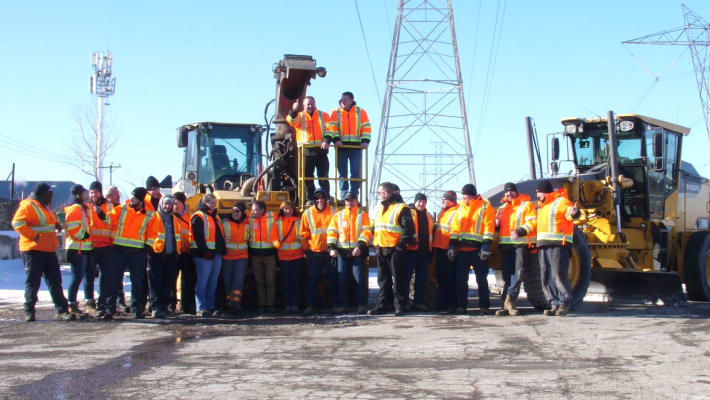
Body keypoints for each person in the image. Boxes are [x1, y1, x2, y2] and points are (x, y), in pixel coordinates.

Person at [12, 183, 75, 321]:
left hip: (48, 250)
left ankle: (62, 310)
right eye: (49, 193)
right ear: (42, 194)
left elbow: (46, 222)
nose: (51, 196)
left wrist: (56, 224)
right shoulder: (28, 206)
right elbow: (17, 223)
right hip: (33, 250)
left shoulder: (44, 207)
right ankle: (29, 311)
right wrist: (33, 236)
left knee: (55, 281)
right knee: (33, 282)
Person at [108, 187, 158, 319]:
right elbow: (109, 220)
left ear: (141, 200)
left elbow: (153, 232)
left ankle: (136, 309)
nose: (132, 199)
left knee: (137, 282)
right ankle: (109, 308)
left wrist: (148, 245)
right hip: (119, 250)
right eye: (132, 196)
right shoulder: (121, 209)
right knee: (114, 280)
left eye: (135, 197)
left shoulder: (149, 214)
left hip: (137, 252)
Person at [369, 182, 415, 316]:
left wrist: (400, 245)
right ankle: (383, 305)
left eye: (381, 193)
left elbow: (409, 229)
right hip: (380, 248)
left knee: (399, 280)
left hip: (395, 250)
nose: (379, 195)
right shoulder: (378, 208)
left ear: (388, 193)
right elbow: (373, 226)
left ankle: (399, 306)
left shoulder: (402, 208)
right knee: (383, 280)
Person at [535, 180, 580, 316]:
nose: (537, 195)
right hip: (543, 244)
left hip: (558, 244)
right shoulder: (542, 206)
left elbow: (570, 214)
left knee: (558, 274)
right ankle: (554, 303)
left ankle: (565, 303)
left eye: (539, 192)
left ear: (544, 191)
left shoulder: (561, 202)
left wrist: (574, 213)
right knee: (546, 275)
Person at [449, 184, 495, 315]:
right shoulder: (460, 209)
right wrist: (452, 245)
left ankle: (484, 306)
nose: (464, 199)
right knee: (461, 279)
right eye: (463, 197)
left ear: (473, 196)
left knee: (481, 279)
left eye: (467, 197)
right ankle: (461, 306)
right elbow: (455, 228)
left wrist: (486, 245)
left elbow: (489, 226)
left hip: (478, 249)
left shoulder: (485, 206)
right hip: (462, 250)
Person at [495, 182, 536, 316]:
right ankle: (506, 305)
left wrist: (521, 231)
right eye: (507, 191)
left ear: (516, 191)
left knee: (518, 274)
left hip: (520, 244)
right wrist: (496, 224)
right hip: (506, 246)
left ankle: (510, 300)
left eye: (511, 191)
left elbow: (532, 221)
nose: (509, 193)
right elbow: (498, 226)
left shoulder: (526, 204)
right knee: (508, 275)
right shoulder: (501, 208)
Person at [327, 191, 371, 314]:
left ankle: (361, 305)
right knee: (342, 279)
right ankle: (343, 305)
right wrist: (331, 247)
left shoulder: (362, 215)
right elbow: (332, 232)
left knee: (359, 279)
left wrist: (360, 246)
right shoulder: (338, 215)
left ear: (356, 200)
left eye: (351, 200)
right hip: (342, 252)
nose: (349, 202)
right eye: (347, 200)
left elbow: (366, 231)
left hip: (357, 251)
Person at [287, 96, 335, 201]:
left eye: (311, 104)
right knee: (307, 177)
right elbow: (291, 120)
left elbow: (331, 129)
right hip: (306, 152)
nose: (310, 106)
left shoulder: (324, 115)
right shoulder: (299, 116)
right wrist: (294, 109)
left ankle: (326, 197)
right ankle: (310, 198)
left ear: (315, 104)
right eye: (308, 104)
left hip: (321, 151)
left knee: (323, 177)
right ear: (303, 106)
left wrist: (327, 140)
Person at [329, 91, 371, 199]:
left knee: (355, 172)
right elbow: (332, 128)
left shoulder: (360, 112)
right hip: (341, 146)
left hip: (356, 147)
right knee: (342, 173)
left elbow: (366, 127)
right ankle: (344, 196)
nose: (342, 102)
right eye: (341, 100)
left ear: (351, 100)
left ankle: (354, 195)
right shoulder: (336, 112)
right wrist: (336, 140)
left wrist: (365, 141)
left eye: (345, 100)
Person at [301, 189, 336, 314]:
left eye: (322, 198)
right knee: (312, 279)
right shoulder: (308, 213)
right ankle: (311, 305)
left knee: (333, 278)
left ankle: (334, 305)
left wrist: (334, 248)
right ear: (314, 200)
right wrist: (306, 250)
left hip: (330, 252)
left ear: (326, 199)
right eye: (317, 198)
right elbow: (304, 233)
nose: (320, 200)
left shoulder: (333, 211)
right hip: (314, 252)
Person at [190, 194, 226, 317]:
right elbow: (198, 236)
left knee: (213, 281)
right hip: (203, 254)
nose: (214, 204)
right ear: (205, 202)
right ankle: (201, 307)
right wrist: (204, 251)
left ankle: (210, 306)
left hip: (216, 253)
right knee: (203, 280)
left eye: (214, 202)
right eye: (211, 202)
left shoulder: (215, 216)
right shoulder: (198, 216)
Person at [147, 195, 181, 318]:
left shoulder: (174, 219)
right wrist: (152, 249)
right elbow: (148, 234)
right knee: (156, 282)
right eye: (165, 203)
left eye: (169, 204)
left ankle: (164, 306)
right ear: (161, 204)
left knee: (167, 282)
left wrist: (177, 252)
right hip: (156, 255)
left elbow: (177, 237)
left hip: (171, 256)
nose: (167, 206)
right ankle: (155, 308)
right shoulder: (153, 216)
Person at [64, 184, 94, 316]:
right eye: (83, 193)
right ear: (78, 194)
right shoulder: (75, 208)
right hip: (77, 248)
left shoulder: (84, 208)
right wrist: (83, 235)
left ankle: (87, 302)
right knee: (77, 276)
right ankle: (71, 303)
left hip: (85, 247)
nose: (86, 195)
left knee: (87, 275)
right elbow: (72, 227)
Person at [271, 201, 305, 314]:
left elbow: (303, 235)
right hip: (284, 256)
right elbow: (274, 237)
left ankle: (295, 304)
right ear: (282, 210)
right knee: (286, 281)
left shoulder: (298, 221)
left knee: (295, 281)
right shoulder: (278, 222)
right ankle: (288, 305)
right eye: (285, 209)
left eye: (289, 208)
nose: (287, 211)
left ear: (293, 209)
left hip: (297, 255)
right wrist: (277, 244)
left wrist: (305, 246)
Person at [89, 181, 115, 318]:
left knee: (105, 277)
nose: (94, 194)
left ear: (101, 192)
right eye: (92, 192)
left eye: (96, 192)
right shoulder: (86, 207)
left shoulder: (109, 206)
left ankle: (102, 304)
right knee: (89, 276)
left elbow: (111, 222)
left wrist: (101, 214)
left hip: (106, 246)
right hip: (91, 246)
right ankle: (90, 304)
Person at [104, 185, 130, 313]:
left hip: (116, 246)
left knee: (117, 278)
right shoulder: (105, 208)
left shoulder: (121, 208)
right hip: (103, 246)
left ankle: (119, 302)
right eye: (116, 194)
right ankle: (107, 303)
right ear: (109, 196)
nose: (119, 196)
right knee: (109, 278)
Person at [432, 190, 459, 313]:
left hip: (449, 249)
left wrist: (453, 247)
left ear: (451, 200)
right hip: (440, 248)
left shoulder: (456, 212)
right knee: (441, 277)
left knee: (450, 278)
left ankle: (451, 304)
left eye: (445, 199)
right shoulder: (444, 212)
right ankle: (442, 302)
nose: (442, 201)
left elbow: (455, 231)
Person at [248, 200, 278, 313]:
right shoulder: (249, 218)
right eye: (252, 210)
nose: (253, 212)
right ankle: (262, 304)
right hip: (255, 255)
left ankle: (270, 304)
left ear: (262, 210)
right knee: (259, 281)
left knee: (270, 281)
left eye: (255, 210)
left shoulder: (273, 216)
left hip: (269, 254)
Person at [407, 193, 434, 311]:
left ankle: (418, 302)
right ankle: (405, 303)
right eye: (419, 201)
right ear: (415, 202)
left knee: (421, 279)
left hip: (424, 252)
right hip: (410, 252)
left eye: (423, 201)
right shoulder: (409, 213)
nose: (421, 203)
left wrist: (430, 251)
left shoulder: (429, 216)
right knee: (406, 279)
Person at [221, 202, 250, 314]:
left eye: (237, 211)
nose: (235, 213)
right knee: (228, 280)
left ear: (242, 212)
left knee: (238, 281)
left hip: (242, 257)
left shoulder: (247, 224)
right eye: (233, 211)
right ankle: (230, 303)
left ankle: (235, 304)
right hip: (227, 257)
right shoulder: (225, 223)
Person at [172, 192, 196, 314]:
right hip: (174, 253)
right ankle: (171, 305)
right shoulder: (170, 215)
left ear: (182, 203)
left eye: (176, 202)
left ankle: (187, 305)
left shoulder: (190, 215)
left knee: (188, 280)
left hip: (187, 252)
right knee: (171, 279)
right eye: (173, 202)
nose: (174, 205)